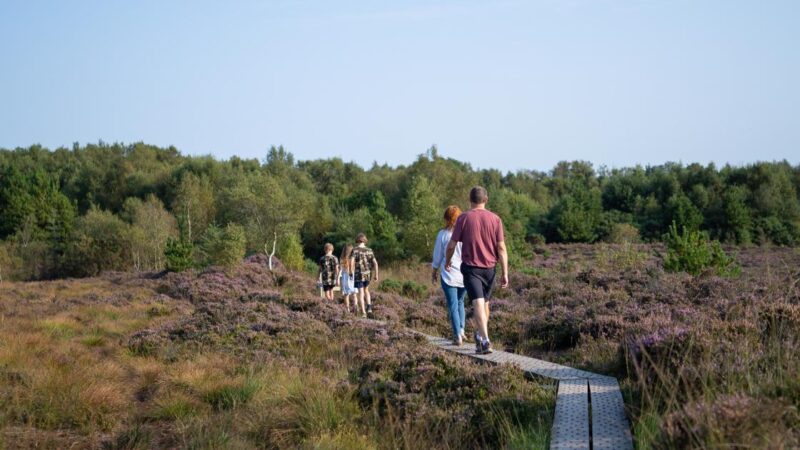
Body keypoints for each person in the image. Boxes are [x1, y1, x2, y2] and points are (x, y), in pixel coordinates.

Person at [446, 186, 508, 354]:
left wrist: (447, 260)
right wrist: (505, 272)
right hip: (490, 268)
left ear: (470, 200)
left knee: (479, 303)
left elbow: (451, 245)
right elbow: (501, 248)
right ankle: (482, 338)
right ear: (485, 200)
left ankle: (484, 340)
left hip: (472, 268)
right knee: (484, 303)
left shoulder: (463, 218)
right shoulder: (496, 219)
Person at [432, 205, 468, 345]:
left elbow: (438, 255)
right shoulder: (466, 234)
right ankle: (462, 330)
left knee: (453, 305)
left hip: (449, 275)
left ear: (446, 218)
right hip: (465, 275)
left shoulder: (443, 234)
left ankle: (457, 335)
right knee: (460, 303)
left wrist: (434, 271)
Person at [351, 233, 379, 318]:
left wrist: (350, 271)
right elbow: (375, 263)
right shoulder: (369, 250)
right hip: (367, 274)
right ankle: (369, 307)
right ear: (364, 240)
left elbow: (352, 261)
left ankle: (363, 312)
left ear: (357, 240)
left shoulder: (355, 250)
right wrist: (376, 274)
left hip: (358, 274)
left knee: (361, 292)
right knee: (366, 290)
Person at [340, 244, 358, 312]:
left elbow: (341, 269)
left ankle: (347, 309)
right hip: (353, 276)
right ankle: (355, 306)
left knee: (346, 294)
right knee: (354, 294)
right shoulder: (354, 259)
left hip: (345, 277)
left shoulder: (342, 259)